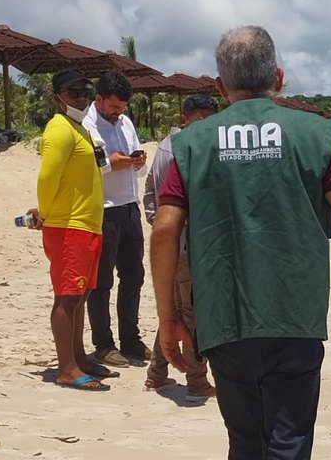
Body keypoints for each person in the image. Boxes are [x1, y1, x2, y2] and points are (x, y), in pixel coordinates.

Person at [151, 26, 331, 459]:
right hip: (293, 315)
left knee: (245, 441)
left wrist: (168, 317)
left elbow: (166, 229)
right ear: (279, 78)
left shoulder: (191, 143)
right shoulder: (314, 135)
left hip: (223, 316)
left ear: (220, 86)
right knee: (289, 440)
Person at [26, 68, 119, 391]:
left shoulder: (81, 128)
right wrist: (47, 214)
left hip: (88, 225)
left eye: (83, 91)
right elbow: (47, 177)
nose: (79, 97)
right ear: (58, 97)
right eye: (72, 93)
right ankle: (66, 369)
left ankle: (78, 358)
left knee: (80, 295)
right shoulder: (59, 129)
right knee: (67, 297)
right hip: (68, 226)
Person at [142, 95, 218, 400]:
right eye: (202, 121)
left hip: (170, 246)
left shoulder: (163, 146)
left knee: (173, 312)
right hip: (186, 247)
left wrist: (156, 221)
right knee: (193, 314)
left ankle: (156, 374)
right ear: (184, 118)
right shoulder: (186, 151)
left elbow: (149, 191)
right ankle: (196, 379)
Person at [83, 70, 150, 367]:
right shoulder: (86, 125)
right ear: (98, 99)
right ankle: (103, 343)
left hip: (129, 207)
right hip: (103, 209)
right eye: (113, 106)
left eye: (122, 107)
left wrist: (136, 161)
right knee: (101, 281)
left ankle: (131, 340)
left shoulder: (125, 122)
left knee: (134, 275)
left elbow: (137, 171)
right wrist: (113, 164)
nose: (117, 112)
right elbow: (88, 168)